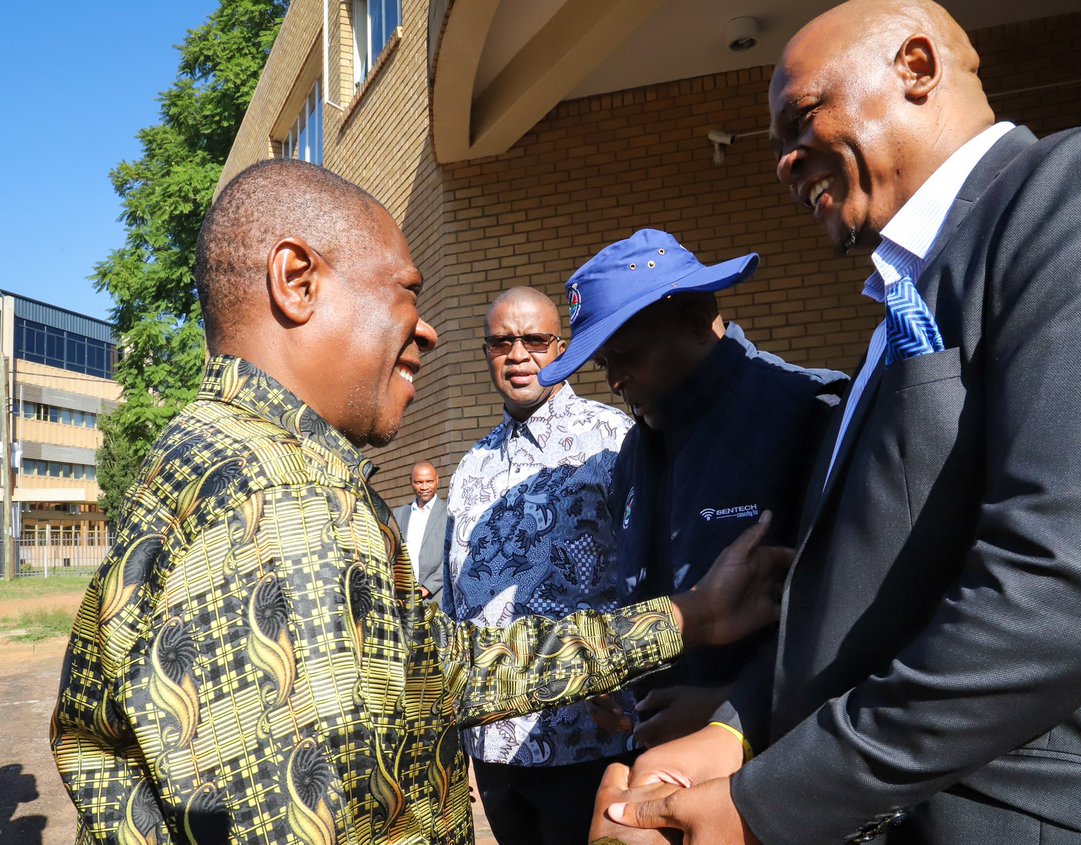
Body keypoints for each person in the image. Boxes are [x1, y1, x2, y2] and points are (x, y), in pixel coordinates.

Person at [48, 159, 792, 845]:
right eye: (407, 292)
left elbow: (436, 666)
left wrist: (688, 616)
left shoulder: (249, 461)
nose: (429, 332)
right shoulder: (279, 500)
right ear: (297, 280)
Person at [598, 1, 1081, 843]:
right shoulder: (900, 310)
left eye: (800, 118)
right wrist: (737, 727)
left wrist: (769, 802)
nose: (781, 164)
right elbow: (880, 594)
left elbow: (1078, 580)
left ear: (916, 67)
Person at [537, 229, 846, 748]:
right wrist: (623, 677)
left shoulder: (811, 412)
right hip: (661, 762)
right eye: (603, 363)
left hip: (778, 763)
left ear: (699, 316)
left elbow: (855, 611)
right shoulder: (636, 450)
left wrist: (736, 706)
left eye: (628, 354)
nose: (614, 381)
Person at [443, 286, 637, 845]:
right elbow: (458, 604)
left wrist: (632, 690)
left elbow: (645, 574)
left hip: (586, 735)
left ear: (561, 347)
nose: (518, 354)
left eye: (535, 340)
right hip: (492, 743)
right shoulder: (472, 465)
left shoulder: (610, 440)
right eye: (502, 343)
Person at [393, 460, 447, 602]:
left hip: (437, 597)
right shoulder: (398, 514)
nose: (424, 487)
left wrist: (427, 588)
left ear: (437, 480)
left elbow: (451, 557)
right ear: (411, 482)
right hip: (404, 598)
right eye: (419, 482)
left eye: (429, 481)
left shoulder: (449, 513)